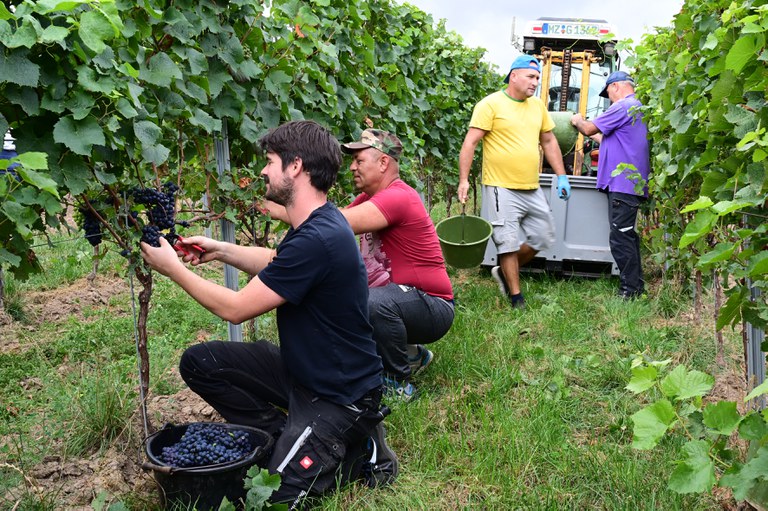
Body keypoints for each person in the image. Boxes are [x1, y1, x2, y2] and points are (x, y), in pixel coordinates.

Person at [141, 120, 398, 509]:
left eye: (270, 160)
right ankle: (289, 436)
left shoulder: (318, 236)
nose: (263, 169)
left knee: (271, 498)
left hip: (340, 397)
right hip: (305, 375)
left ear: (295, 166)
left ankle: (354, 450)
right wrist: (220, 250)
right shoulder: (318, 224)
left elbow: (236, 308)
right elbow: (279, 262)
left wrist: (173, 269)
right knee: (201, 362)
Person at [339, 129, 455, 401]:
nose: (352, 167)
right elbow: (335, 220)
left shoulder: (399, 196)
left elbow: (337, 223)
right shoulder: (369, 198)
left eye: (359, 160)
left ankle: (397, 382)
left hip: (433, 305)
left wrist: (292, 205)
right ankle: (414, 354)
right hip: (404, 303)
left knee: (372, 302)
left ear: (383, 163)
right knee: (343, 297)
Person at [458, 54, 570, 310]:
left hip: (531, 186)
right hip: (500, 186)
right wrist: (464, 180)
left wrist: (561, 175)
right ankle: (516, 297)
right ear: (514, 75)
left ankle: (505, 271)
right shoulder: (491, 105)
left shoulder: (538, 106)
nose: (535, 83)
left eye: (538, 78)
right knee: (507, 242)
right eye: (531, 77)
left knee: (544, 236)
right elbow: (470, 143)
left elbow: (549, 141)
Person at [570, 70, 650, 299]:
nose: (609, 98)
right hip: (629, 184)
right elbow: (607, 138)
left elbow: (587, 129)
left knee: (620, 237)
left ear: (615, 87)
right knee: (627, 235)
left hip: (622, 184)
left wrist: (577, 120)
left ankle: (629, 292)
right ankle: (636, 287)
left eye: (608, 93)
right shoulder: (636, 108)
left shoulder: (622, 106)